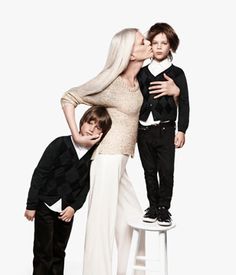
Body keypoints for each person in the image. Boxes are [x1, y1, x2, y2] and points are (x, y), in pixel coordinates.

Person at [61, 28, 180, 275]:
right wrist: (77, 135)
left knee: (134, 222)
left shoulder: (140, 81)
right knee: (100, 227)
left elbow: (163, 107)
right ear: (129, 53)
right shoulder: (111, 82)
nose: (149, 43)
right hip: (106, 159)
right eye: (142, 41)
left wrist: (177, 93)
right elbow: (69, 97)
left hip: (122, 162)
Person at [24, 106, 112, 275]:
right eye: (90, 123)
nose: (92, 129)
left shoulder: (95, 156)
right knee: (43, 251)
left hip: (66, 211)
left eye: (98, 127)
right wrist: (31, 205)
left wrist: (74, 207)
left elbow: (86, 185)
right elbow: (39, 173)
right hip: (45, 206)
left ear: (102, 133)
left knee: (59, 251)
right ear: (81, 123)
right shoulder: (60, 144)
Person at [137, 22, 190, 226]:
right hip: (143, 130)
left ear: (171, 46)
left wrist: (182, 129)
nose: (159, 47)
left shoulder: (177, 73)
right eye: (155, 42)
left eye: (164, 43)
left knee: (166, 171)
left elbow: (185, 102)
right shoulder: (142, 72)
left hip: (166, 129)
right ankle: (152, 206)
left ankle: (164, 209)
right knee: (149, 170)